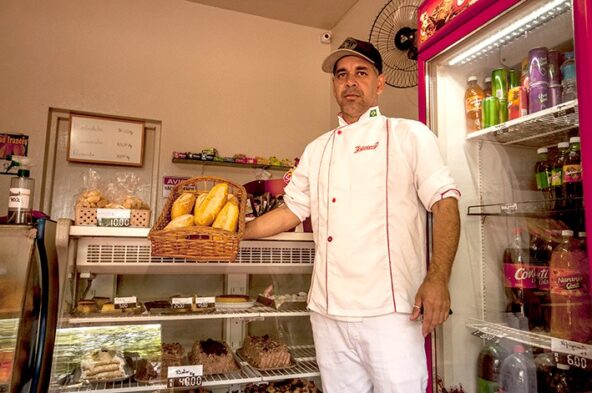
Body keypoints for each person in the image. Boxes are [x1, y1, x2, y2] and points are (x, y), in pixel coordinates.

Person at [244, 37, 460, 393]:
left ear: (379, 82)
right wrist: (239, 233)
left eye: (361, 72)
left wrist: (438, 279)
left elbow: (445, 202)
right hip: (328, 311)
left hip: (390, 313)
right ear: (334, 85)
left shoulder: (409, 135)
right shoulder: (317, 149)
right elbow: (291, 211)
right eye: (341, 74)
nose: (350, 81)